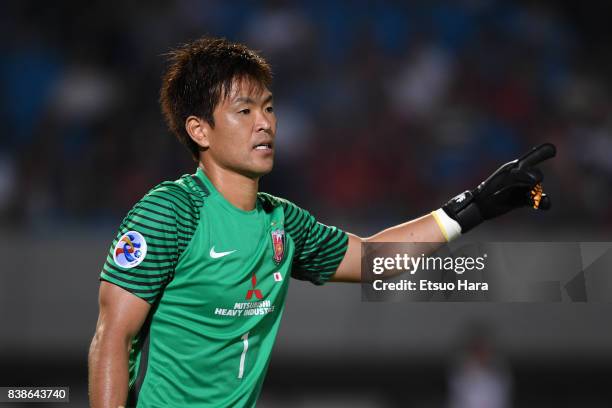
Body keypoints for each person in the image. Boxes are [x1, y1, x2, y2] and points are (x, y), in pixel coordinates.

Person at [88, 37, 555, 408]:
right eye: (244, 110)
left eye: (268, 107)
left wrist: (474, 207)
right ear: (199, 130)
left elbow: (374, 260)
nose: (265, 123)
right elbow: (114, 336)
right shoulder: (170, 212)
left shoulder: (281, 221)